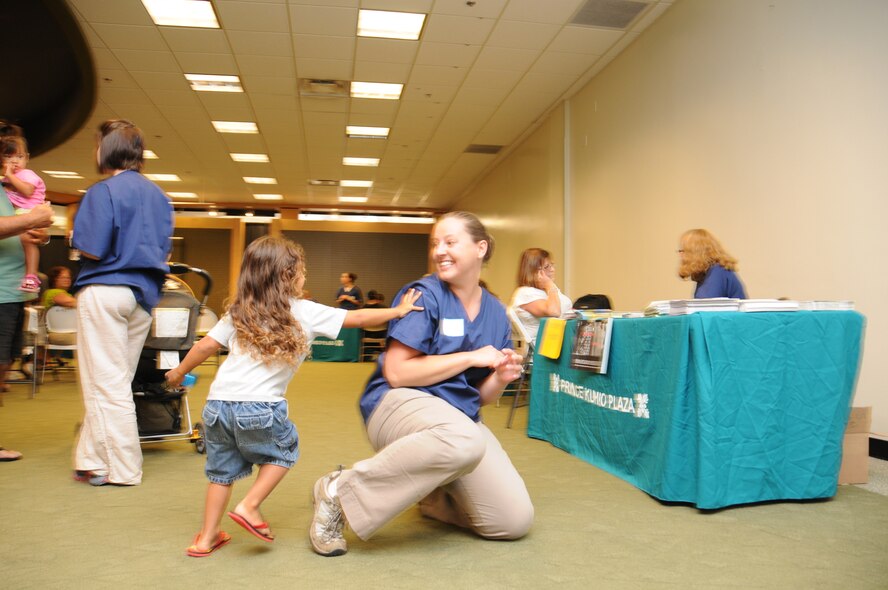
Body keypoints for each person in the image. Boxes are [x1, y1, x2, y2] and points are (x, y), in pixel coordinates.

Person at [164, 236, 423, 557]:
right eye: (302, 270)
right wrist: (398, 311)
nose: (305, 276)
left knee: (221, 474)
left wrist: (177, 372)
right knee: (285, 451)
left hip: (217, 406)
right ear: (289, 276)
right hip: (261, 406)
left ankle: (206, 538)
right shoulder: (304, 311)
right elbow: (356, 319)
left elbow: (205, 346)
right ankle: (250, 505)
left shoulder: (239, 310)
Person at [308, 211, 532, 557]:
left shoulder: (496, 313)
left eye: (450, 242)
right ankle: (337, 490)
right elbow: (398, 373)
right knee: (465, 440)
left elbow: (481, 398)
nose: (439, 250)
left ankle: (432, 495)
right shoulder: (423, 295)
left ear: (480, 248)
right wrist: (471, 358)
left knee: (512, 520)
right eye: (435, 243)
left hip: (458, 424)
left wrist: (501, 377)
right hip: (398, 404)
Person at [71, 119, 174, 487]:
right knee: (114, 381)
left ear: (107, 148)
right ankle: (91, 458)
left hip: (105, 289)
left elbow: (90, 247)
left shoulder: (103, 191)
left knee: (105, 385)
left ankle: (123, 469)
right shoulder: (160, 196)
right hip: (142, 298)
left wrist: (72, 236)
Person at [0, 154, 52, 459]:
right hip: (2, 293)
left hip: (14, 292)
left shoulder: (14, 188)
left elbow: (22, 230)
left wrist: (39, 235)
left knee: (5, 366)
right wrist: (32, 219)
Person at [1, 135, 47, 293]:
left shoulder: (26, 174)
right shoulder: (7, 181)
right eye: (8, 156)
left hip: (28, 211)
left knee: (28, 242)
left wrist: (10, 176)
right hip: (6, 288)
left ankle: (31, 276)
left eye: (19, 157)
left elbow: (27, 190)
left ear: (27, 158)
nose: (14, 161)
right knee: (27, 242)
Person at [508, 248, 572, 346]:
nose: (553, 269)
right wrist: (550, 285)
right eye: (547, 267)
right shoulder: (525, 293)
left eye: (552, 265)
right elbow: (554, 311)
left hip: (564, 342)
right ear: (533, 272)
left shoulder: (547, 291)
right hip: (545, 351)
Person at [677, 229, 747, 299]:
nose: (681, 255)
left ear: (696, 252)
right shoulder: (710, 272)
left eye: (683, 251)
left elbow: (706, 306)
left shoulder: (717, 273)